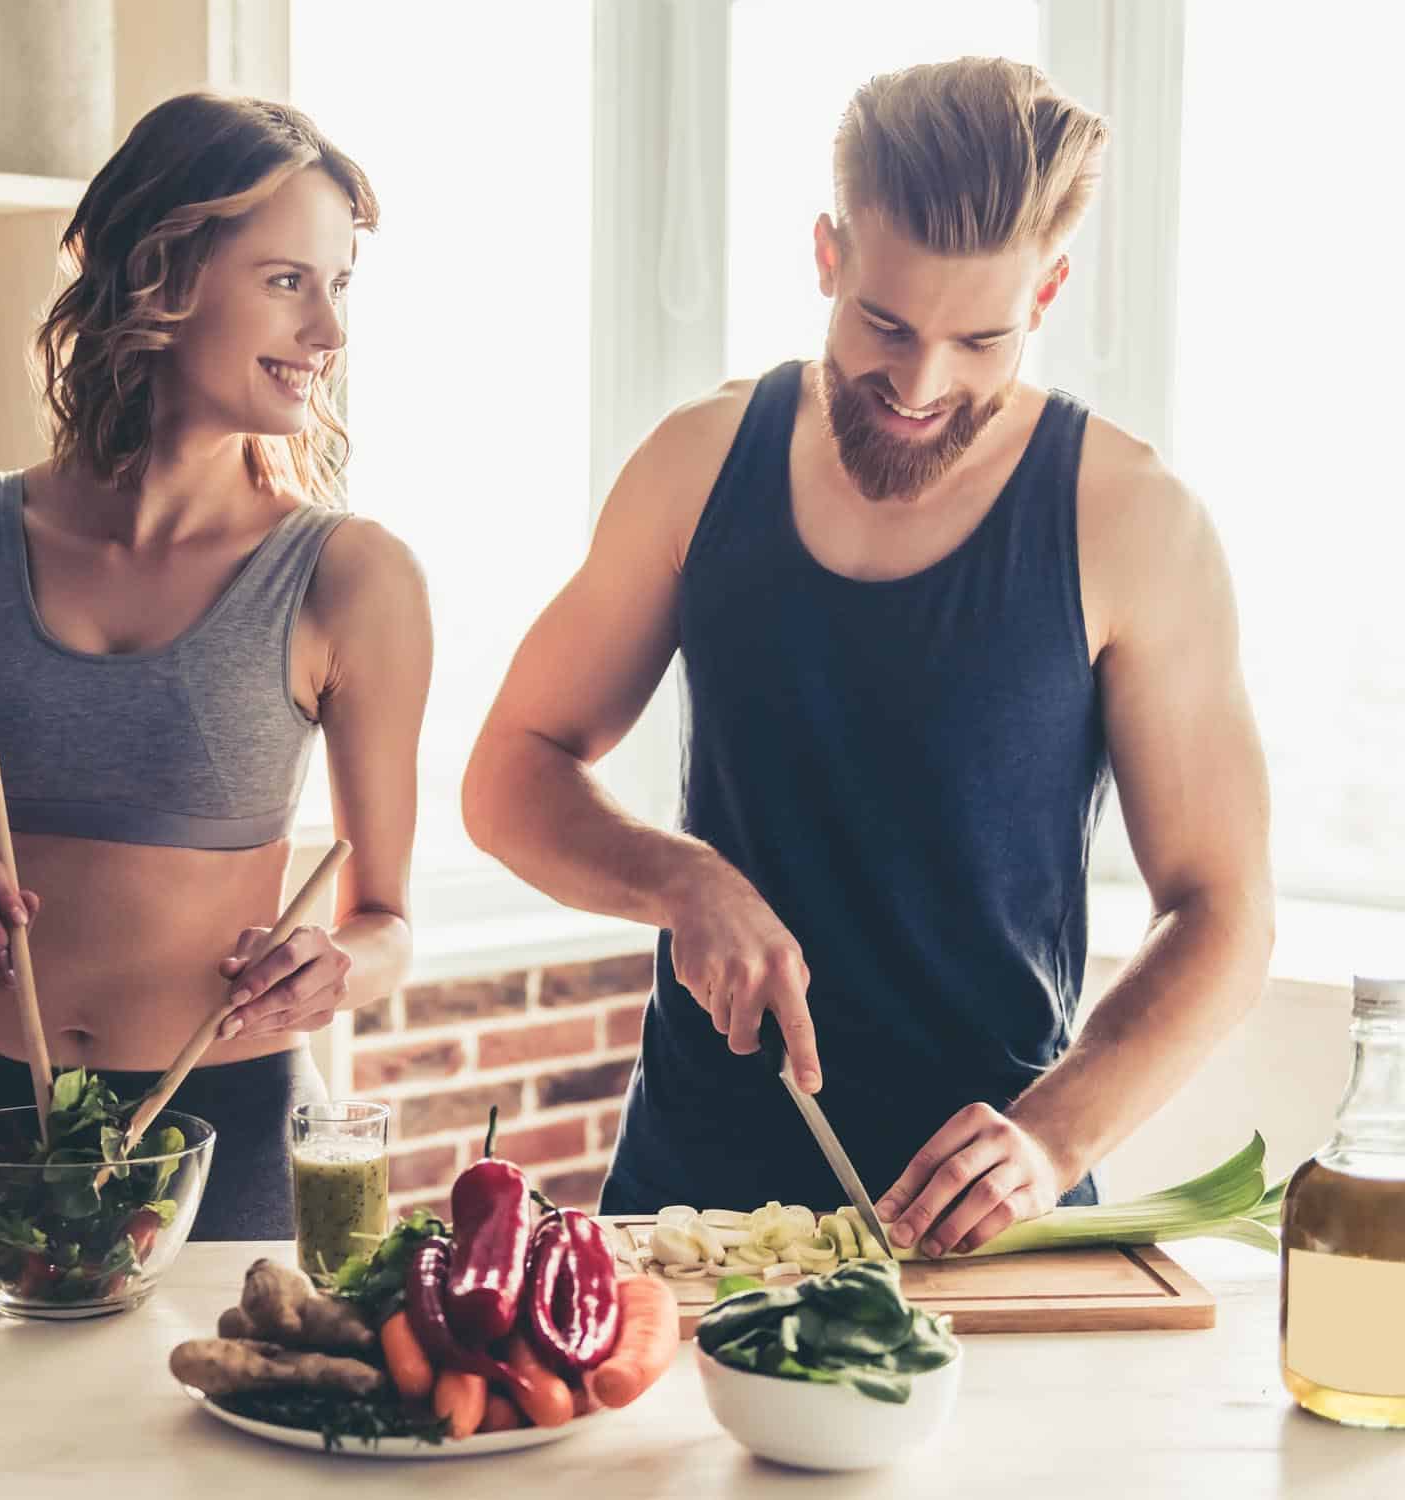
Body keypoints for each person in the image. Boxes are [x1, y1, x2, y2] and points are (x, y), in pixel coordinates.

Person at [462, 58, 1273, 1258]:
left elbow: (1223, 912)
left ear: (1043, 294)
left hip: (975, 1224)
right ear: (826, 255)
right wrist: (679, 878)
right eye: (883, 326)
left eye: (977, 340)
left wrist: (1051, 1139)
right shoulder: (696, 463)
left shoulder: (1132, 520)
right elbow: (509, 774)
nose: (918, 384)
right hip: (686, 1208)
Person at [0, 92, 432, 1244]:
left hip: (224, 1128)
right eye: (288, 281)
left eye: (339, 286)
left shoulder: (351, 578)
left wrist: (333, 968)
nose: (327, 332)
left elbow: (384, 920)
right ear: (159, 276)